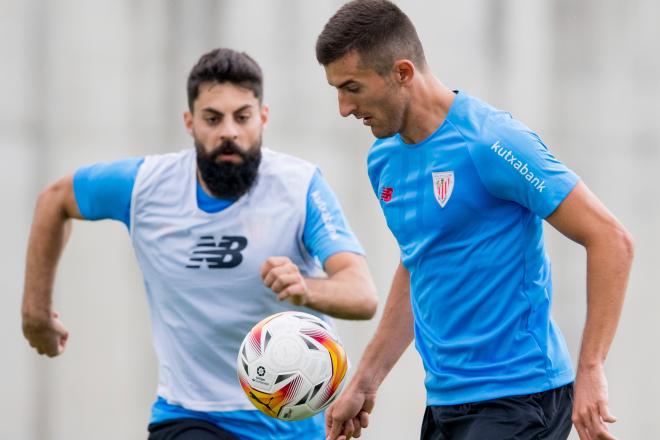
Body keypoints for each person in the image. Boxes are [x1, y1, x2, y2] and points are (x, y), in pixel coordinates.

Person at [21, 47, 378, 440]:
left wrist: (305, 288)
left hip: (292, 418)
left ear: (262, 118)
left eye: (242, 117)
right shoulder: (146, 186)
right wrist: (35, 313)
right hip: (190, 414)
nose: (229, 132)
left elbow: (361, 294)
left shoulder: (300, 187)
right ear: (190, 123)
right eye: (213, 118)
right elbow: (55, 200)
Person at [315, 1, 634, 439]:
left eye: (352, 87)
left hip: (520, 399)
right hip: (445, 403)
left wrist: (592, 370)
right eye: (336, 90)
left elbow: (610, 238)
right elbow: (420, 260)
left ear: (402, 73)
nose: (344, 108)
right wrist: (366, 380)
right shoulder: (384, 159)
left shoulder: (491, 142)